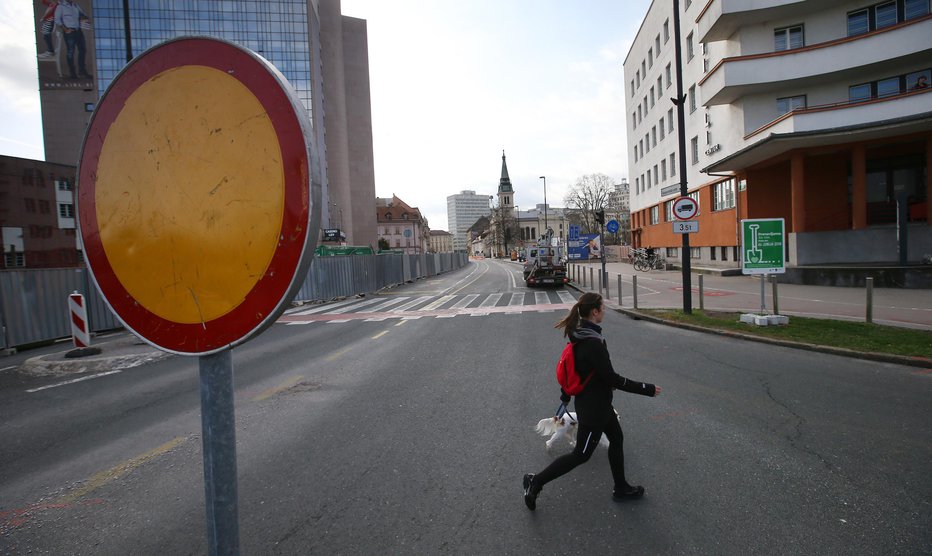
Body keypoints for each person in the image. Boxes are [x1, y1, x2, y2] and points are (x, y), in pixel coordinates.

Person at [523, 292, 661, 510]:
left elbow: (581, 371)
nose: (604, 310)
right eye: (602, 307)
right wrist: (647, 388)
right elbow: (611, 377)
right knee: (581, 455)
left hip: (600, 405)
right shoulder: (592, 343)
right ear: (595, 312)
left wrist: (566, 395)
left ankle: (621, 487)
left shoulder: (580, 336)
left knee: (616, 439)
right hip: (593, 410)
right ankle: (536, 481)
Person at [54, 0, 92, 79]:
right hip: (69, 31)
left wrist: (84, 18)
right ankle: (73, 73)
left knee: (83, 50)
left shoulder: (75, 5)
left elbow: (83, 15)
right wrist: (65, 29)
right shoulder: (61, 6)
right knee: (70, 52)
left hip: (78, 30)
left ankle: (82, 71)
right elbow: (57, 19)